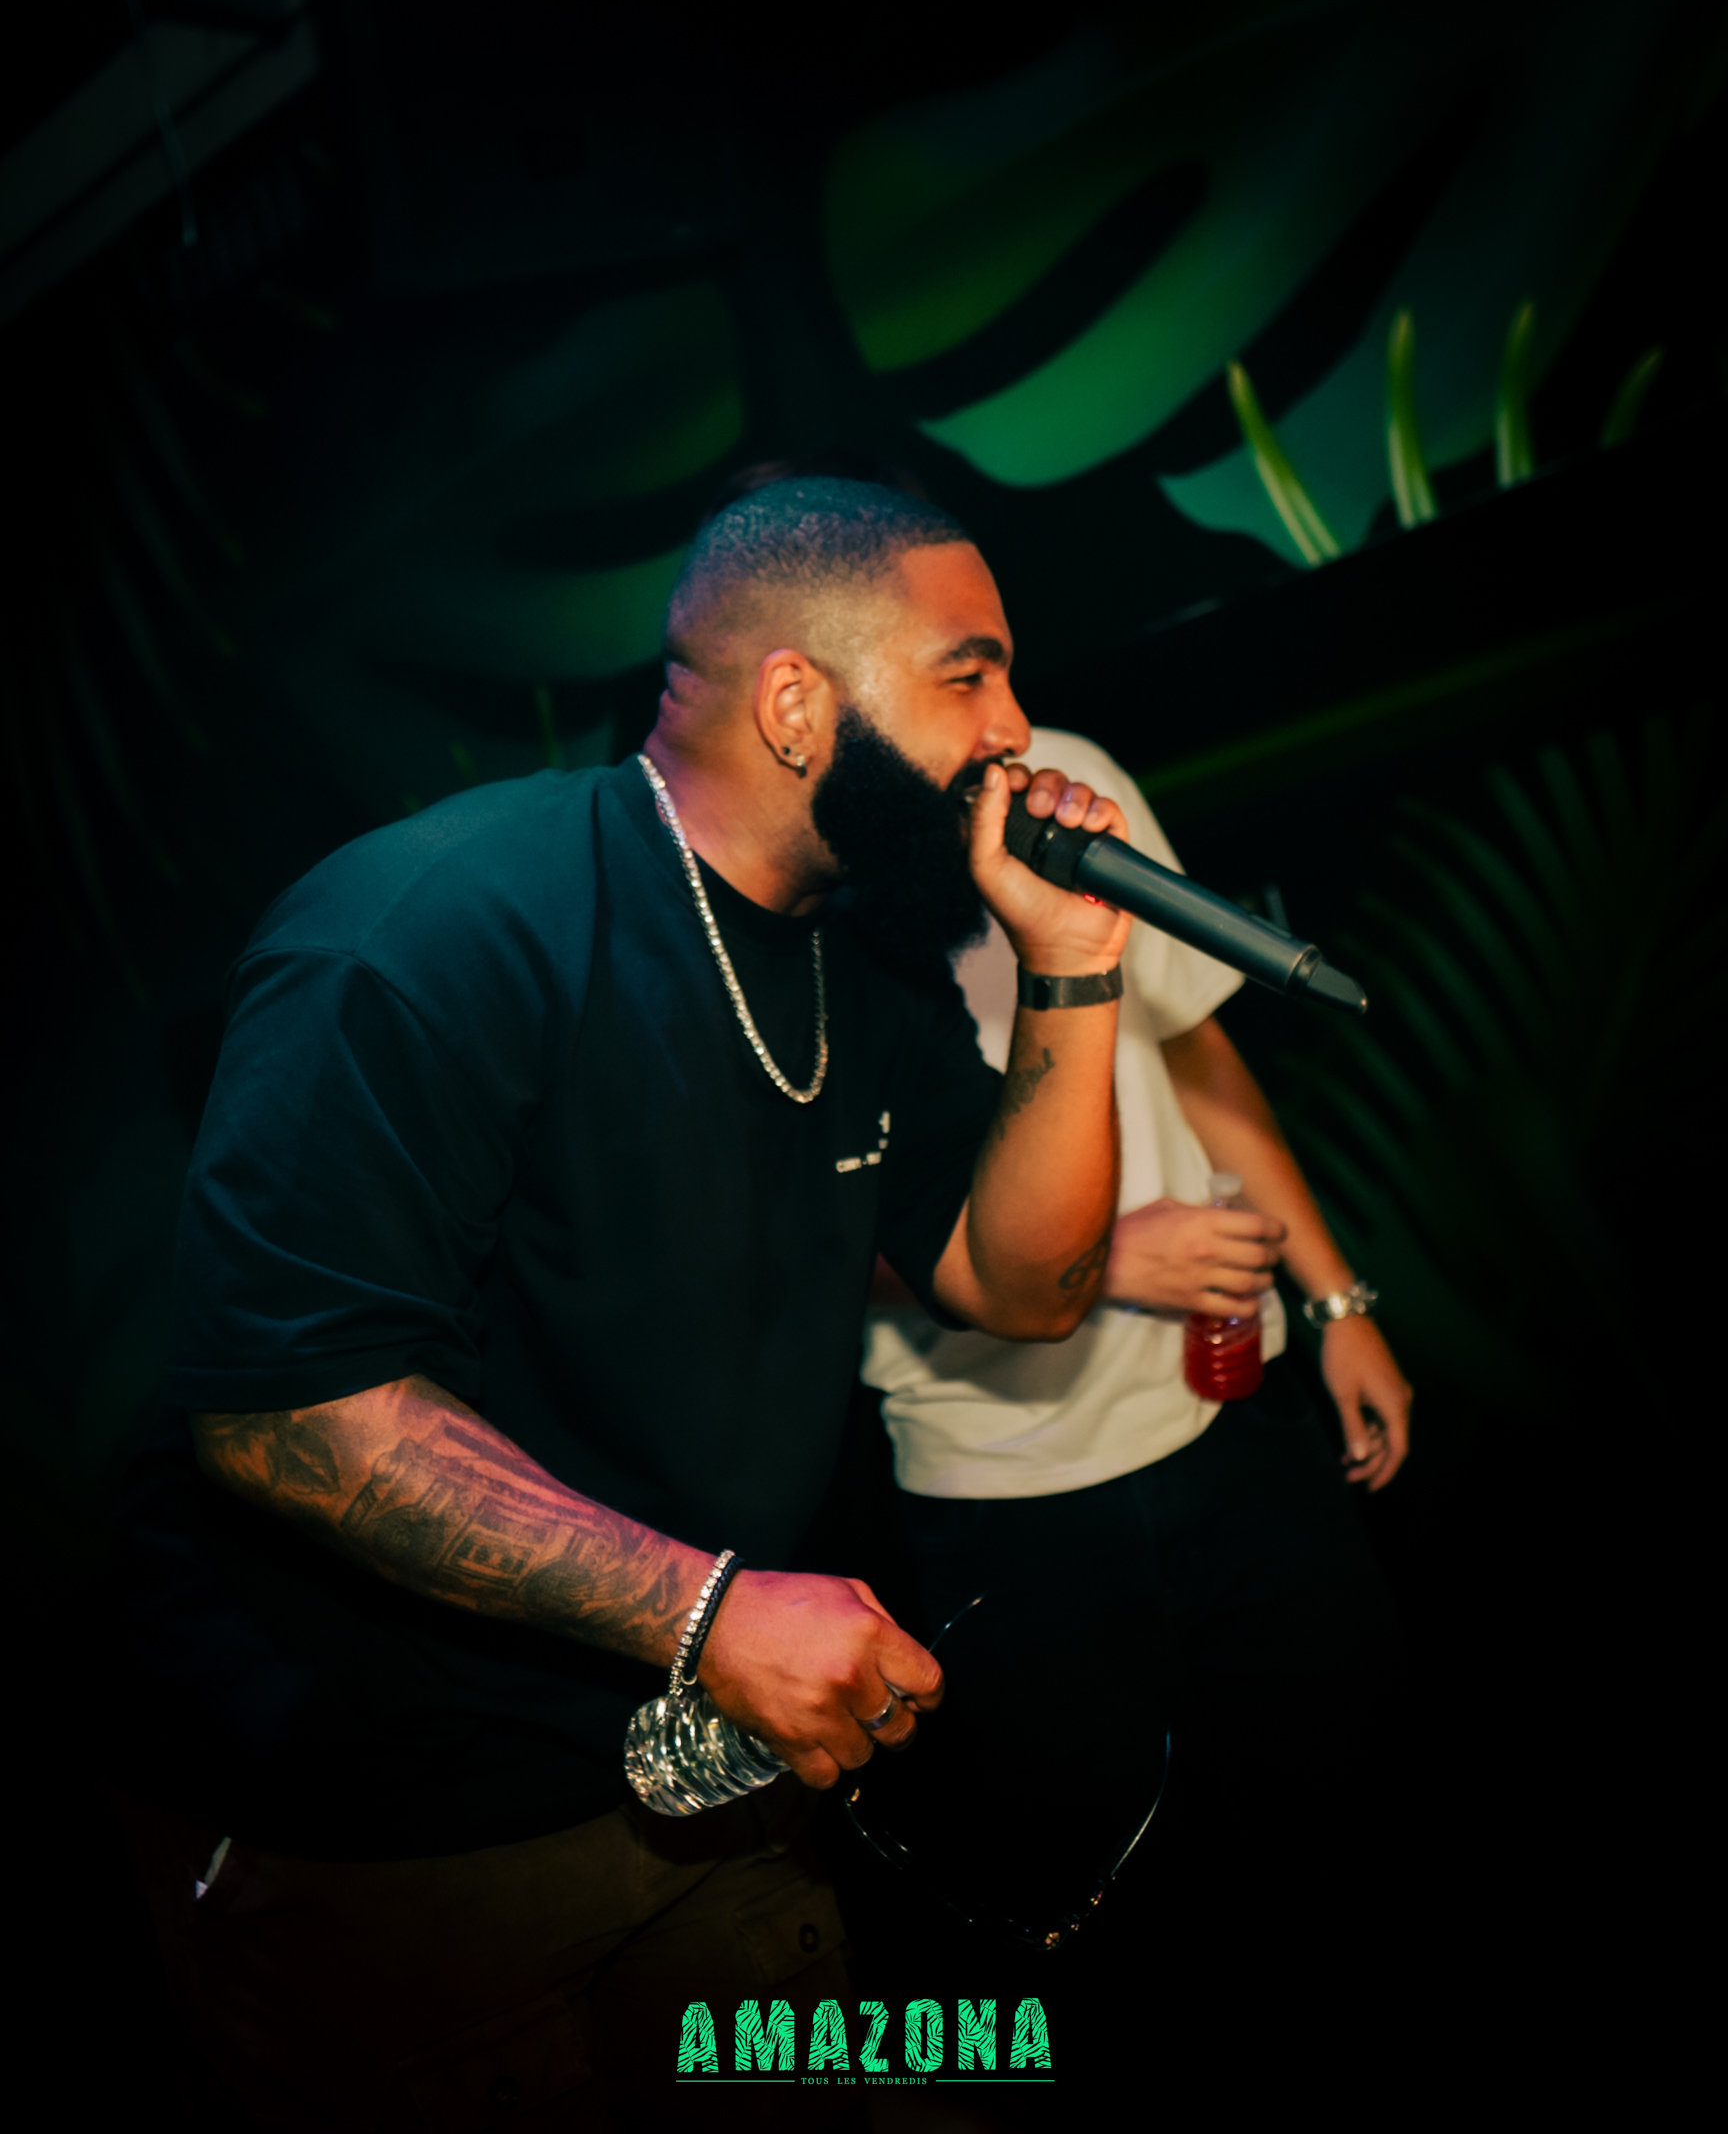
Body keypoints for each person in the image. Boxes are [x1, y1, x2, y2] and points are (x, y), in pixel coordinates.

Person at [108, 481, 1135, 2130]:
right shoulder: (432, 930)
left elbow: (1022, 1287)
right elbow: (286, 1411)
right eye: (971, 674)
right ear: (796, 702)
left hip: (719, 1792)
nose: (1016, 729)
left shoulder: (866, 962)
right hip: (391, 1837)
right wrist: (710, 1613)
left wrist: (1072, 966)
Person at [862, 725, 1414, 1925]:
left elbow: (1194, 1044)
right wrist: (1102, 1258)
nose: (1008, 715)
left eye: (1009, 668)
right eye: (969, 670)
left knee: (1360, 1805)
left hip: (1231, 1411)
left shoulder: (1070, 783)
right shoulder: (809, 871)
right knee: (1130, 1892)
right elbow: (799, 1236)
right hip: (1010, 1487)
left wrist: (1335, 1303)